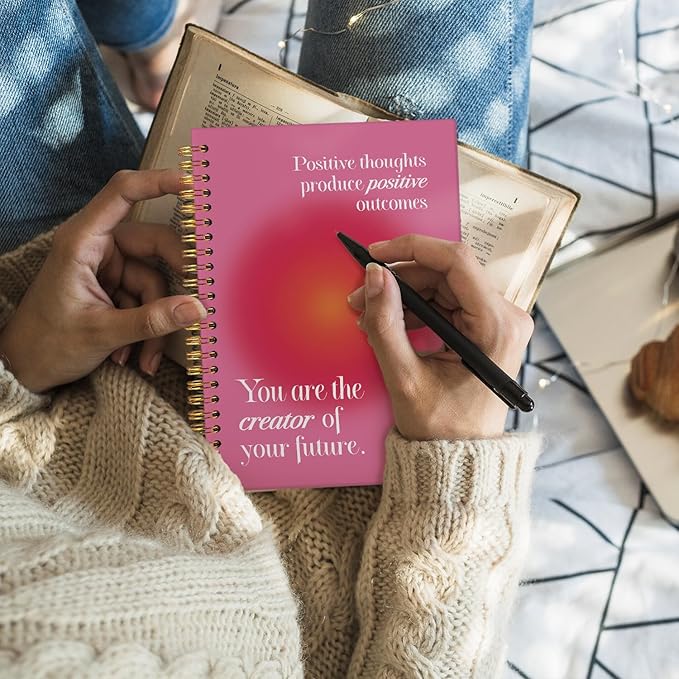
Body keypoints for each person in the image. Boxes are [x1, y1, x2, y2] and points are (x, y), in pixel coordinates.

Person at [0, 1, 539, 677]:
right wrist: (457, 470)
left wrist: (18, 365)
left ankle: (146, 32)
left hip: (47, 364)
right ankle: (147, 38)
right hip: (378, 480)